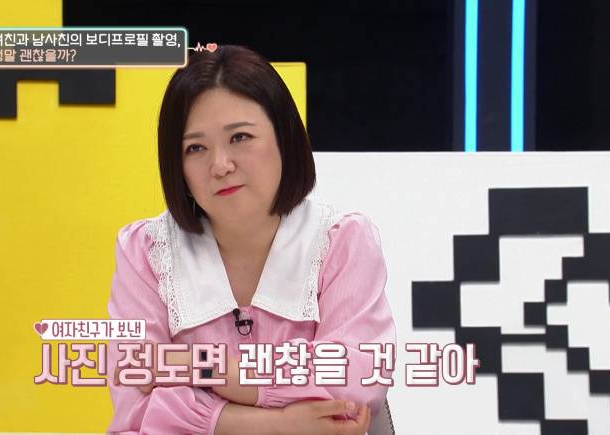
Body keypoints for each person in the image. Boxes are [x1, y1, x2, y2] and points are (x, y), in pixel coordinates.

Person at [106, 45, 397, 434]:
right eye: (195, 148)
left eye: (240, 137)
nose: (220, 165)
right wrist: (280, 424)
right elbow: (137, 414)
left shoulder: (343, 241)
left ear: (284, 138)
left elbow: (351, 383)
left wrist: (199, 366)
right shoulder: (145, 252)